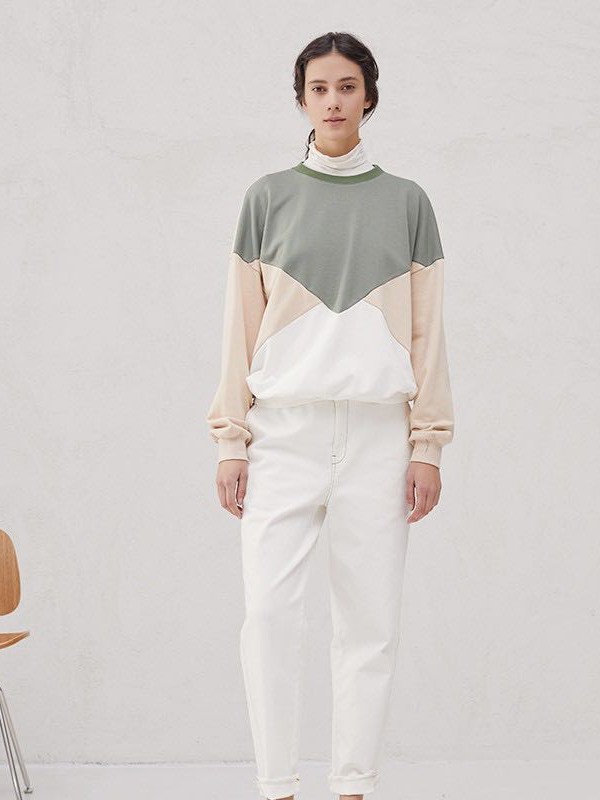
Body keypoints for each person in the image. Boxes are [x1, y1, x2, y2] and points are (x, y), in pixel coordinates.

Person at [206, 30, 455, 800]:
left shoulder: (408, 202)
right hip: (282, 435)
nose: (334, 101)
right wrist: (231, 439)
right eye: (319, 88)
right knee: (268, 618)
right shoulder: (266, 198)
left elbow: (428, 335)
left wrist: (427, 446)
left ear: (369, 97)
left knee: (369, 625)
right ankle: (277, 784)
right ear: (302, 99)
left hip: (379, 439)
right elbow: (238, 327)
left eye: (347, 86)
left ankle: (352, 785)